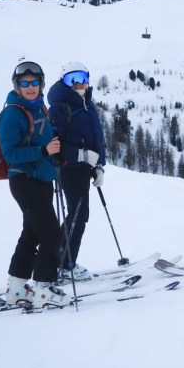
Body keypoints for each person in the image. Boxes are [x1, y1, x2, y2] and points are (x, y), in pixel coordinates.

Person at [0, 61, 72, 308]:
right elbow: (10, 153)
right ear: (17, 86)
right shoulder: (12, 113)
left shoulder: (40, 108)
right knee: (51, 234)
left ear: (41, 85)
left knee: (31, 234)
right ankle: (43, 288)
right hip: (24, 181)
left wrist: (54, 150)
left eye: (34, 82)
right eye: (25, 83)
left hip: (41, 180)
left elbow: (44, 140)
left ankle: (17, 288)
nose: (30, 87)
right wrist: (43, 150)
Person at [47, 61, 107, 281]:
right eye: (71, 79)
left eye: (82, 78)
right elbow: (56, 146)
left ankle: (60, 260)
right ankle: (64, 263)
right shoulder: (59, 107)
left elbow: (96, 139)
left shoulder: (87, 105)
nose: (78, 83)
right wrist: (82, 155)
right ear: (63, 82)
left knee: (78, 215)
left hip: (84, 168)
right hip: (69, 169)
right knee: (77, 216)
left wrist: (98, 165)